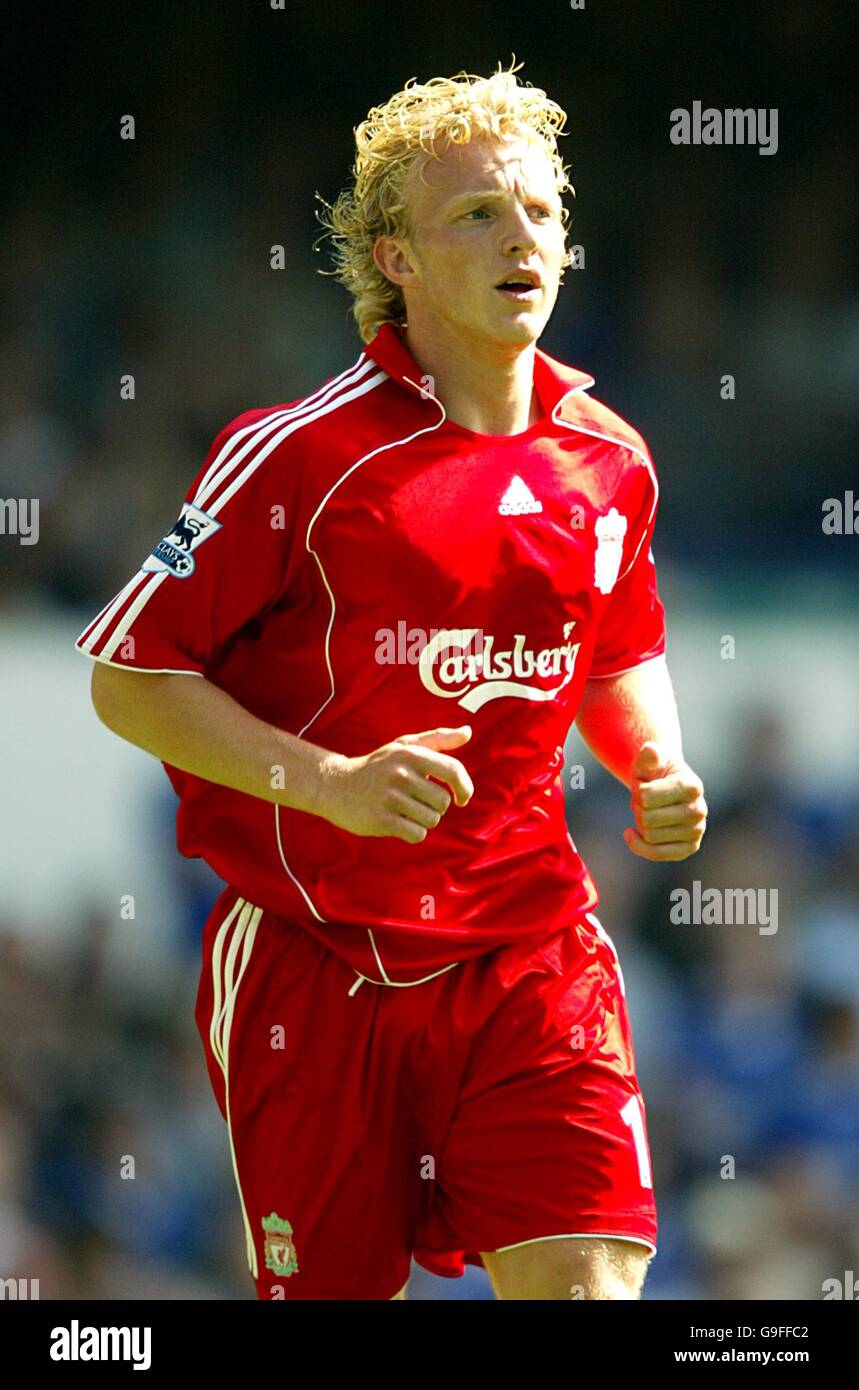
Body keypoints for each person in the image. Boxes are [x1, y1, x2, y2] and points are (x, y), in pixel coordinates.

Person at [76, 62, 707, 1300]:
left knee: (588, 1288)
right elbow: (126, 676)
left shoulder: (608, 459)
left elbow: (621, 645)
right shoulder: (298, 454)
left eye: (536, 209)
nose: (516, 234)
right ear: (396, 259)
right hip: (317, 967)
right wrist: (329, 784)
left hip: (531, 952)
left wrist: (653, 759)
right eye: (474, 213)